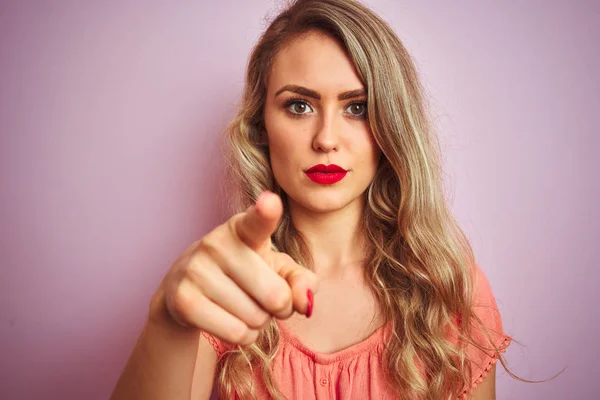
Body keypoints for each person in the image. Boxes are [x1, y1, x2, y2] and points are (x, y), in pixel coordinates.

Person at [111, 0, 512, 398]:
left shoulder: (450, 286)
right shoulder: (226, 281)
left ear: (390, 123)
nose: (326, 139)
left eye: (357, 107)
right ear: (261, 125)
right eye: (299, 106)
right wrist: (166, 317)